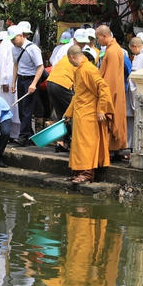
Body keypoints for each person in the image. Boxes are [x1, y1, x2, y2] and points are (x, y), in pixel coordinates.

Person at [63, 44, 114, 184]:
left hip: (89, 114)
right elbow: (78, 94)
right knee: (78, 144)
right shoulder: (80, 70)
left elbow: (103, 88)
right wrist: (69, 113)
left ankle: (87, 173)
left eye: (69, 60)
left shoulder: (89, 70)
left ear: (72, 57)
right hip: (81, 112)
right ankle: (79, 171)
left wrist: (101, 109)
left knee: (87, 144)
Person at [95, 25, 128, 157]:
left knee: (112, 121)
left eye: (98, 38)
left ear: (104, 36)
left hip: (111, 92)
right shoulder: (112, 49)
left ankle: (113, 149)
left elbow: (111, 78)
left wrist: (105, 101)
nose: (98, 41)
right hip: (113, 91)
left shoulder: (113, 51)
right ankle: (113, 149)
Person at [11, 25, 44, 144]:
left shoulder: (32, 48)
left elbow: (40, 67)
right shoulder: (14, 49)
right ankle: (29, 135)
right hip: (21, 78)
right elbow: (15, 65)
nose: (12, 42)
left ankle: (23, 136)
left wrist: (34, 84)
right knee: (21, 108)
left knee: (27, 108)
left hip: (31, 79)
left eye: (14, 39)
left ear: (21, 36)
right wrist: (13, 82)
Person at [47, 39, 77, 152]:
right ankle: (73, 141)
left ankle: (61, 142)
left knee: (61, 115)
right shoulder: (80, 62)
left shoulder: (65, 58)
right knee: (72, 113)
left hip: (50, 83)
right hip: (62, 85)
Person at [0, 30, 18, 138]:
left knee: (13, 108)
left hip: (12, 80)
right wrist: (4, 81)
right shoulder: (5, 44)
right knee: (7, 107)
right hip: (7, 82)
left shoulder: (13, 44)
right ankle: (5, 133)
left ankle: (13, 134)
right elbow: (3, 65)